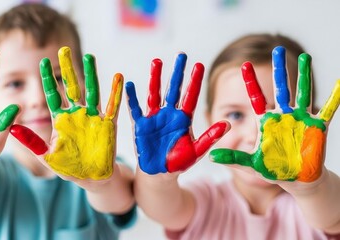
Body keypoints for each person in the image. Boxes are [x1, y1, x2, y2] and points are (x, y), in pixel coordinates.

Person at [0, 3, 135, 240]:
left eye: (58, 78)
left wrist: (101, 183)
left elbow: (119, 200)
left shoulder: (103, 164)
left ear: (82, 84)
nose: (38, 98)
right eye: (15, 84)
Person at [128, 33, 340, 239]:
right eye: (236, 114)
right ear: (210, 119)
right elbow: (161, 208)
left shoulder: (316, 207)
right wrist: (158, 179)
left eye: (278, 118)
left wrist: (312, 188)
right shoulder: (206, 201)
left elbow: (332, 213)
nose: (254, 134)